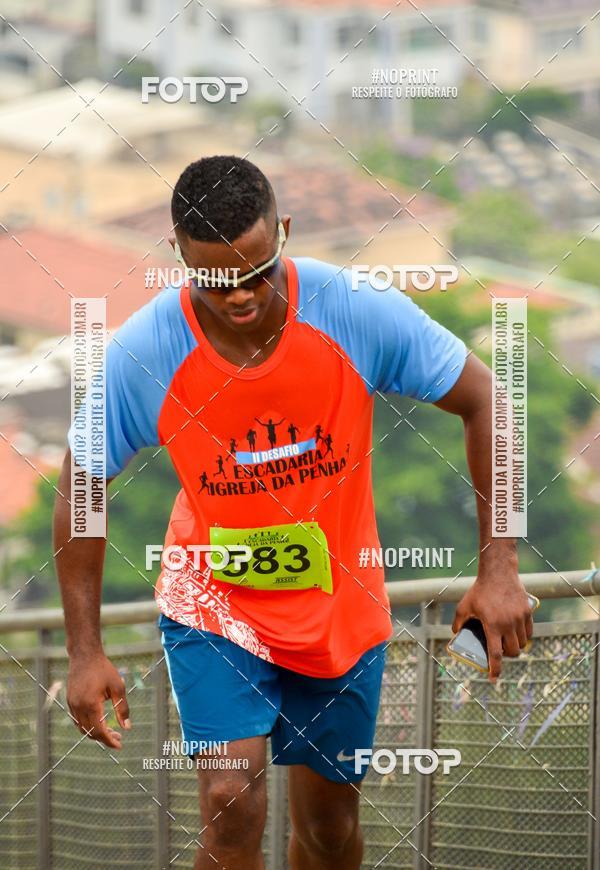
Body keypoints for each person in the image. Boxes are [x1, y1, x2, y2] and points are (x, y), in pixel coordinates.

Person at [54, 155, 533, 869]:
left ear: (284, 231)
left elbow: (487, 398)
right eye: (216, 280)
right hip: (213, 602)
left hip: (339, 606)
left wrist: (499, 567)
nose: (241, 296)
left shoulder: (352, 309)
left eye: (257, 271)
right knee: (230, 802)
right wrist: (84, 649)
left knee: (330, 829)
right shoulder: (148, 350)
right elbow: (82, 481)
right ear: (177, 254)